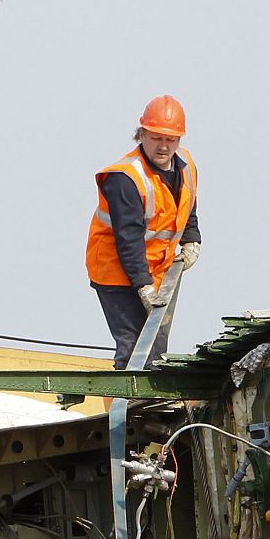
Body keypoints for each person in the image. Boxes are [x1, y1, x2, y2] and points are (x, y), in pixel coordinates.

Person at [85, 94, 201, 369]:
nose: (163, 146)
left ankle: (150, 409)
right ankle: (126, 410)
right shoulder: (125, 178)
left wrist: (192, 238)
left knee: (155, 352)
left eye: (169, 139)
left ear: (179, 140)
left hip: (158, 269)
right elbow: (129, 239)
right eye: (156, 138)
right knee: (133, 348)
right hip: (115, 271)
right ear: (142, 135)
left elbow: (188, 203)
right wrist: (143, 285)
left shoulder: (185, 166)